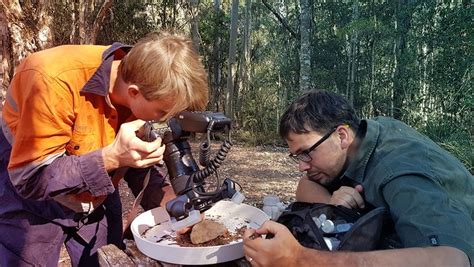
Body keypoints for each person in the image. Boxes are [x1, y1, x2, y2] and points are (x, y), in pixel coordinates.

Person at [0, 32, 208, 266]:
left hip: (96, 192)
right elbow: (30, 177)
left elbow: (134, 165)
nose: (164, 119)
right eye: (161, 113)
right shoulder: (52, 78)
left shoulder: (143, 85)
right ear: (133, 92)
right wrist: (110, 158)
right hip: (30, 195)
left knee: (107, 259)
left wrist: (170, 202)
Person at [243, 90, 473, 266]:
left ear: (341, 135)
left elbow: (453, 259)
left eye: (307, 153)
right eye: (297, 157)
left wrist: (300, 258)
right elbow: (305, 186)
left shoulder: (401, 173)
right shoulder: (355, 141)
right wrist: (332, 200)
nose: (302, 166)